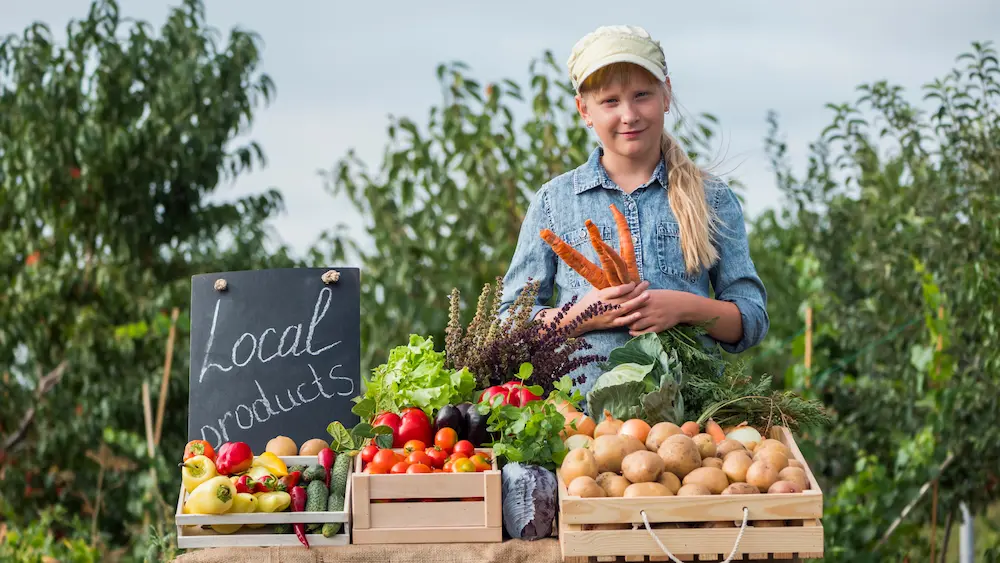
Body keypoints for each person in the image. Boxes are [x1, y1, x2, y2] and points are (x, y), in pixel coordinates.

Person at [497, 25, 769, 405]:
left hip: (690, 421)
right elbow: (509, 323)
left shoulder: (712, 198)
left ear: (666, 95)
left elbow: (751, 319)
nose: (629, 114)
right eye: (610, 101)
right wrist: (583, 314)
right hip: (580, 423)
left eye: (642, 95)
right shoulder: (553, 202)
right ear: (584, 111)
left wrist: (682, 308)